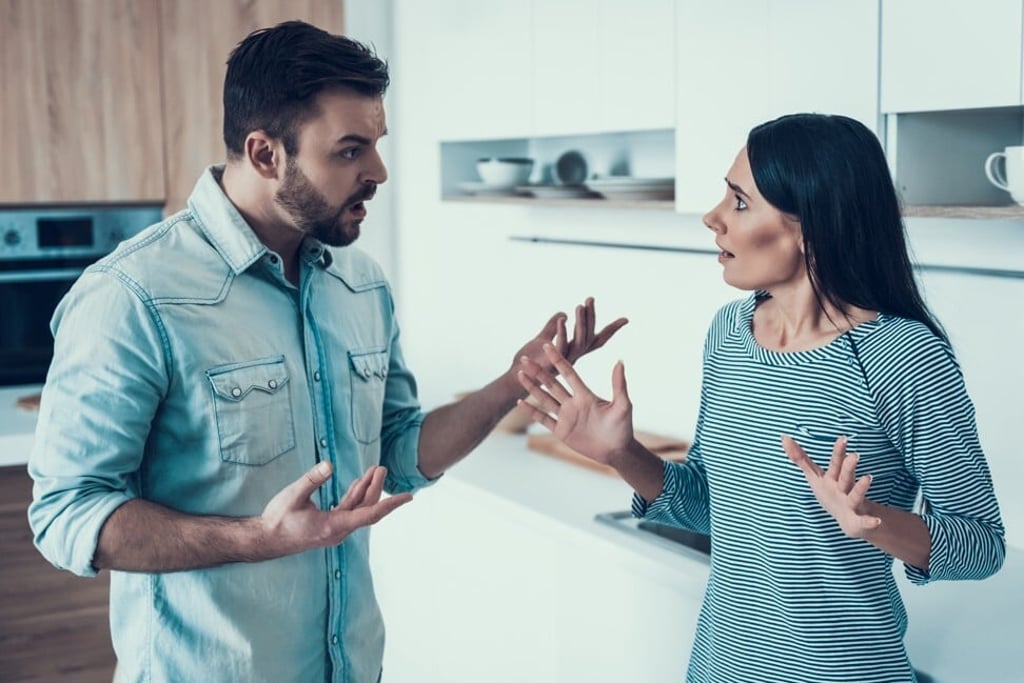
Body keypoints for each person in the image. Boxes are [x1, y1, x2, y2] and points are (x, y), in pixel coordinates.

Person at [26, 21, 627, 683]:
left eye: (376, 144)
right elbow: (68, 512)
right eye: (350, 150)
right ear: (264, 154)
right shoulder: (133, 295)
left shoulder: (360, 283)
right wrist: (259, 538)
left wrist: (514, 381)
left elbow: (396, 451)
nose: (378, 171)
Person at [516, 113, 1005, 683]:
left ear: (810, 225)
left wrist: (873, 521)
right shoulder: (729, 333)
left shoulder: (902, 357)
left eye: (739, 202)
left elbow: (982, 544)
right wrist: (624, 455)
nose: (712, 218)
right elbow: (709, 506)